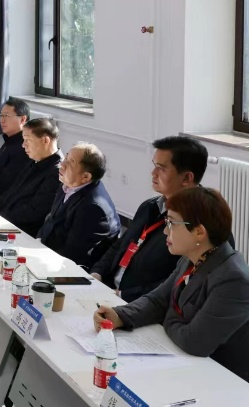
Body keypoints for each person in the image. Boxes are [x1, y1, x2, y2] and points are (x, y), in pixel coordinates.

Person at [94, 187, 249, 382]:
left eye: (172, 223)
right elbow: (158, 300)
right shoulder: (192, 257)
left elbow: (194, 342)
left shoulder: (233, 279)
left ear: (199, 232)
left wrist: (167, 317)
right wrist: (120, 315)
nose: (166, 231)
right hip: (187, 364)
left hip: (223, 380)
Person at [91, 136, 211, 301]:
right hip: (110, 292)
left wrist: (123, 295)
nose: (153, 173)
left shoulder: (200, 224)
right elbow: (121, 245)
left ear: (186, 178)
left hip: (142, 304)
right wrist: (97, 273)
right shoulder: (150, 207)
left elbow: (181, 282)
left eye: (161, 168)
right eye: (155, 166)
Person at [37, 143, 120, 268]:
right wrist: (37, 242)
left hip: (73, 268)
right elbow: (50, 220)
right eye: (66, 157)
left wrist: (38, 256)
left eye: (71, 162)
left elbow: (72, 253)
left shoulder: (93, 208)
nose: (62, 164)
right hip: (51, 252)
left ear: (86, 176)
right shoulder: (69, 185)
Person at [0, 118, 62, 237]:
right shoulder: (34, 160)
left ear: (45, 140)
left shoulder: (57, 172)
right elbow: (13, 188)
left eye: (27, 140)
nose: (23, 145)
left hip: (22, 231)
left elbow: (34, 211)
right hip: (4, 220)